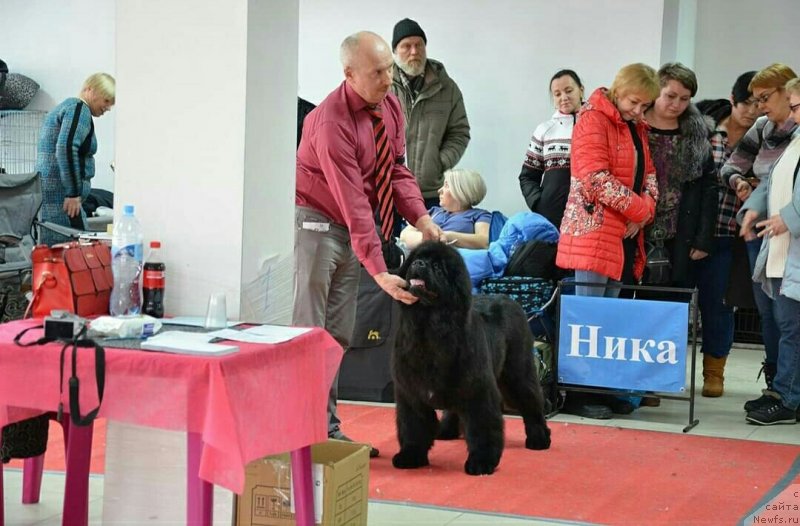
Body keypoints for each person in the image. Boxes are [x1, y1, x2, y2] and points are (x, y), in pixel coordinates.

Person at [294, 31, 445, 456]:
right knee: (310, 331)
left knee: (338, 334)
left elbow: (396, 168)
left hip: (349, 227)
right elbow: (353, 200)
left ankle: (325, 429)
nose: (387, 79)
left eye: (389, 69)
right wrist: (379, 270)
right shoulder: (329, 122)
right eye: (377, 72)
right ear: (349, 74)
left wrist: (421, 216)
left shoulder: (390, 105)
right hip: (317, 223)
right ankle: (300, 432)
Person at [555, 63, 659, 419]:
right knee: (589, 318)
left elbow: (650, 176)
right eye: (634, 102)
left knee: (610, 319)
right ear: (619, 90)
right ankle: (579, 393)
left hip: (622, 231)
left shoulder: (636, 126)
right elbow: (595, 178)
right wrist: (639, 211)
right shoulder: (592, 119)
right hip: (593, 230)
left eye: (645, 106)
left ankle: (602, 386)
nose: (639, 111)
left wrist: (641, 212)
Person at [639, 63, 718, 393]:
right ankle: (635, 382)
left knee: (670, 310)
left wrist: (703, 238)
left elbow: (708, 188)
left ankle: (660, 381)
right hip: (637, 229)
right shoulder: (636, 124)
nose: (676, 104)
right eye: (670, 96)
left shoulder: (696, 133)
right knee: (636, 305)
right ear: (657, 90)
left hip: (679, 233)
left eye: (685, 99)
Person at [721, 63, 798, 398]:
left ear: (787, 91)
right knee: (767, 311)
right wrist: (742, 186)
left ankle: (787, 388)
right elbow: (734, 166)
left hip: (788, 229)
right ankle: (776, 381)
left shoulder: (796, 132)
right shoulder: (763, 128)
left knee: (788, 316)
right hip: (762, 227)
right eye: (754, 100)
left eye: (765, 98)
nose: (759, 107)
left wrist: (786, 217)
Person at [737, 78, 800, 425]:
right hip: (782, 246)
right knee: (785, 322)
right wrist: (752, 211)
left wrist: (787, 219)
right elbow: (772, 181)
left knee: (791, 325)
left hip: (792, 244)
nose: (791, 114)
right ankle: (786, 391)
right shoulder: (796, 140)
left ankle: (788, 399)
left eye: (795, 106)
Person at [695, 71, 760, 397]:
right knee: (676, 301)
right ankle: (663, 370)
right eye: (746, 103)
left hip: (733, 234)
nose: (752, 110)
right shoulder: (705, 128)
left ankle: (714, 372)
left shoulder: (765, 137)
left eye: (758, 103)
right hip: (693, 232)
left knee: (721, 304)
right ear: (732, 100)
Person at [390, 18, 470, 211]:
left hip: (431, 194)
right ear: (394, 51)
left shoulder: (447, 88)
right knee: (385, 241)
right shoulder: (381, 86)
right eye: (406, 46)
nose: (414, 51)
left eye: (419, 45)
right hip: (387, 190)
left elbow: (459, 132)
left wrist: (439, 162)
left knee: (429, 241)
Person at [37, 72, 115, 246]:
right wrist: (73, 193)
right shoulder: (78, 109)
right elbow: (66, 147)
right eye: (106, 100)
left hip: (56, 193)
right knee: (73, 248)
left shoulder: (69, 108)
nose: (108, 107)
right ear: (91, 90)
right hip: (63, 196)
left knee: (60, 247)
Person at [519, 69, 585, 229]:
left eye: (569, 91)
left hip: (590, 218)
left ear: (581, 90)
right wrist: (540, 204)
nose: (564, 97)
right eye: (557, 94)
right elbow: (527, 177)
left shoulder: (598, 125)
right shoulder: (544, 130)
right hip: (553, 219)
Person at [400, 168, 491, 249]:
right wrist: (435, 238)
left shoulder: (480, 215)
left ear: (461, 191)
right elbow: (404, 235)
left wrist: (449, 236)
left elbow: (484, 241)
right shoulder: (433, 211)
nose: (439, 190)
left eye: (446, 185)